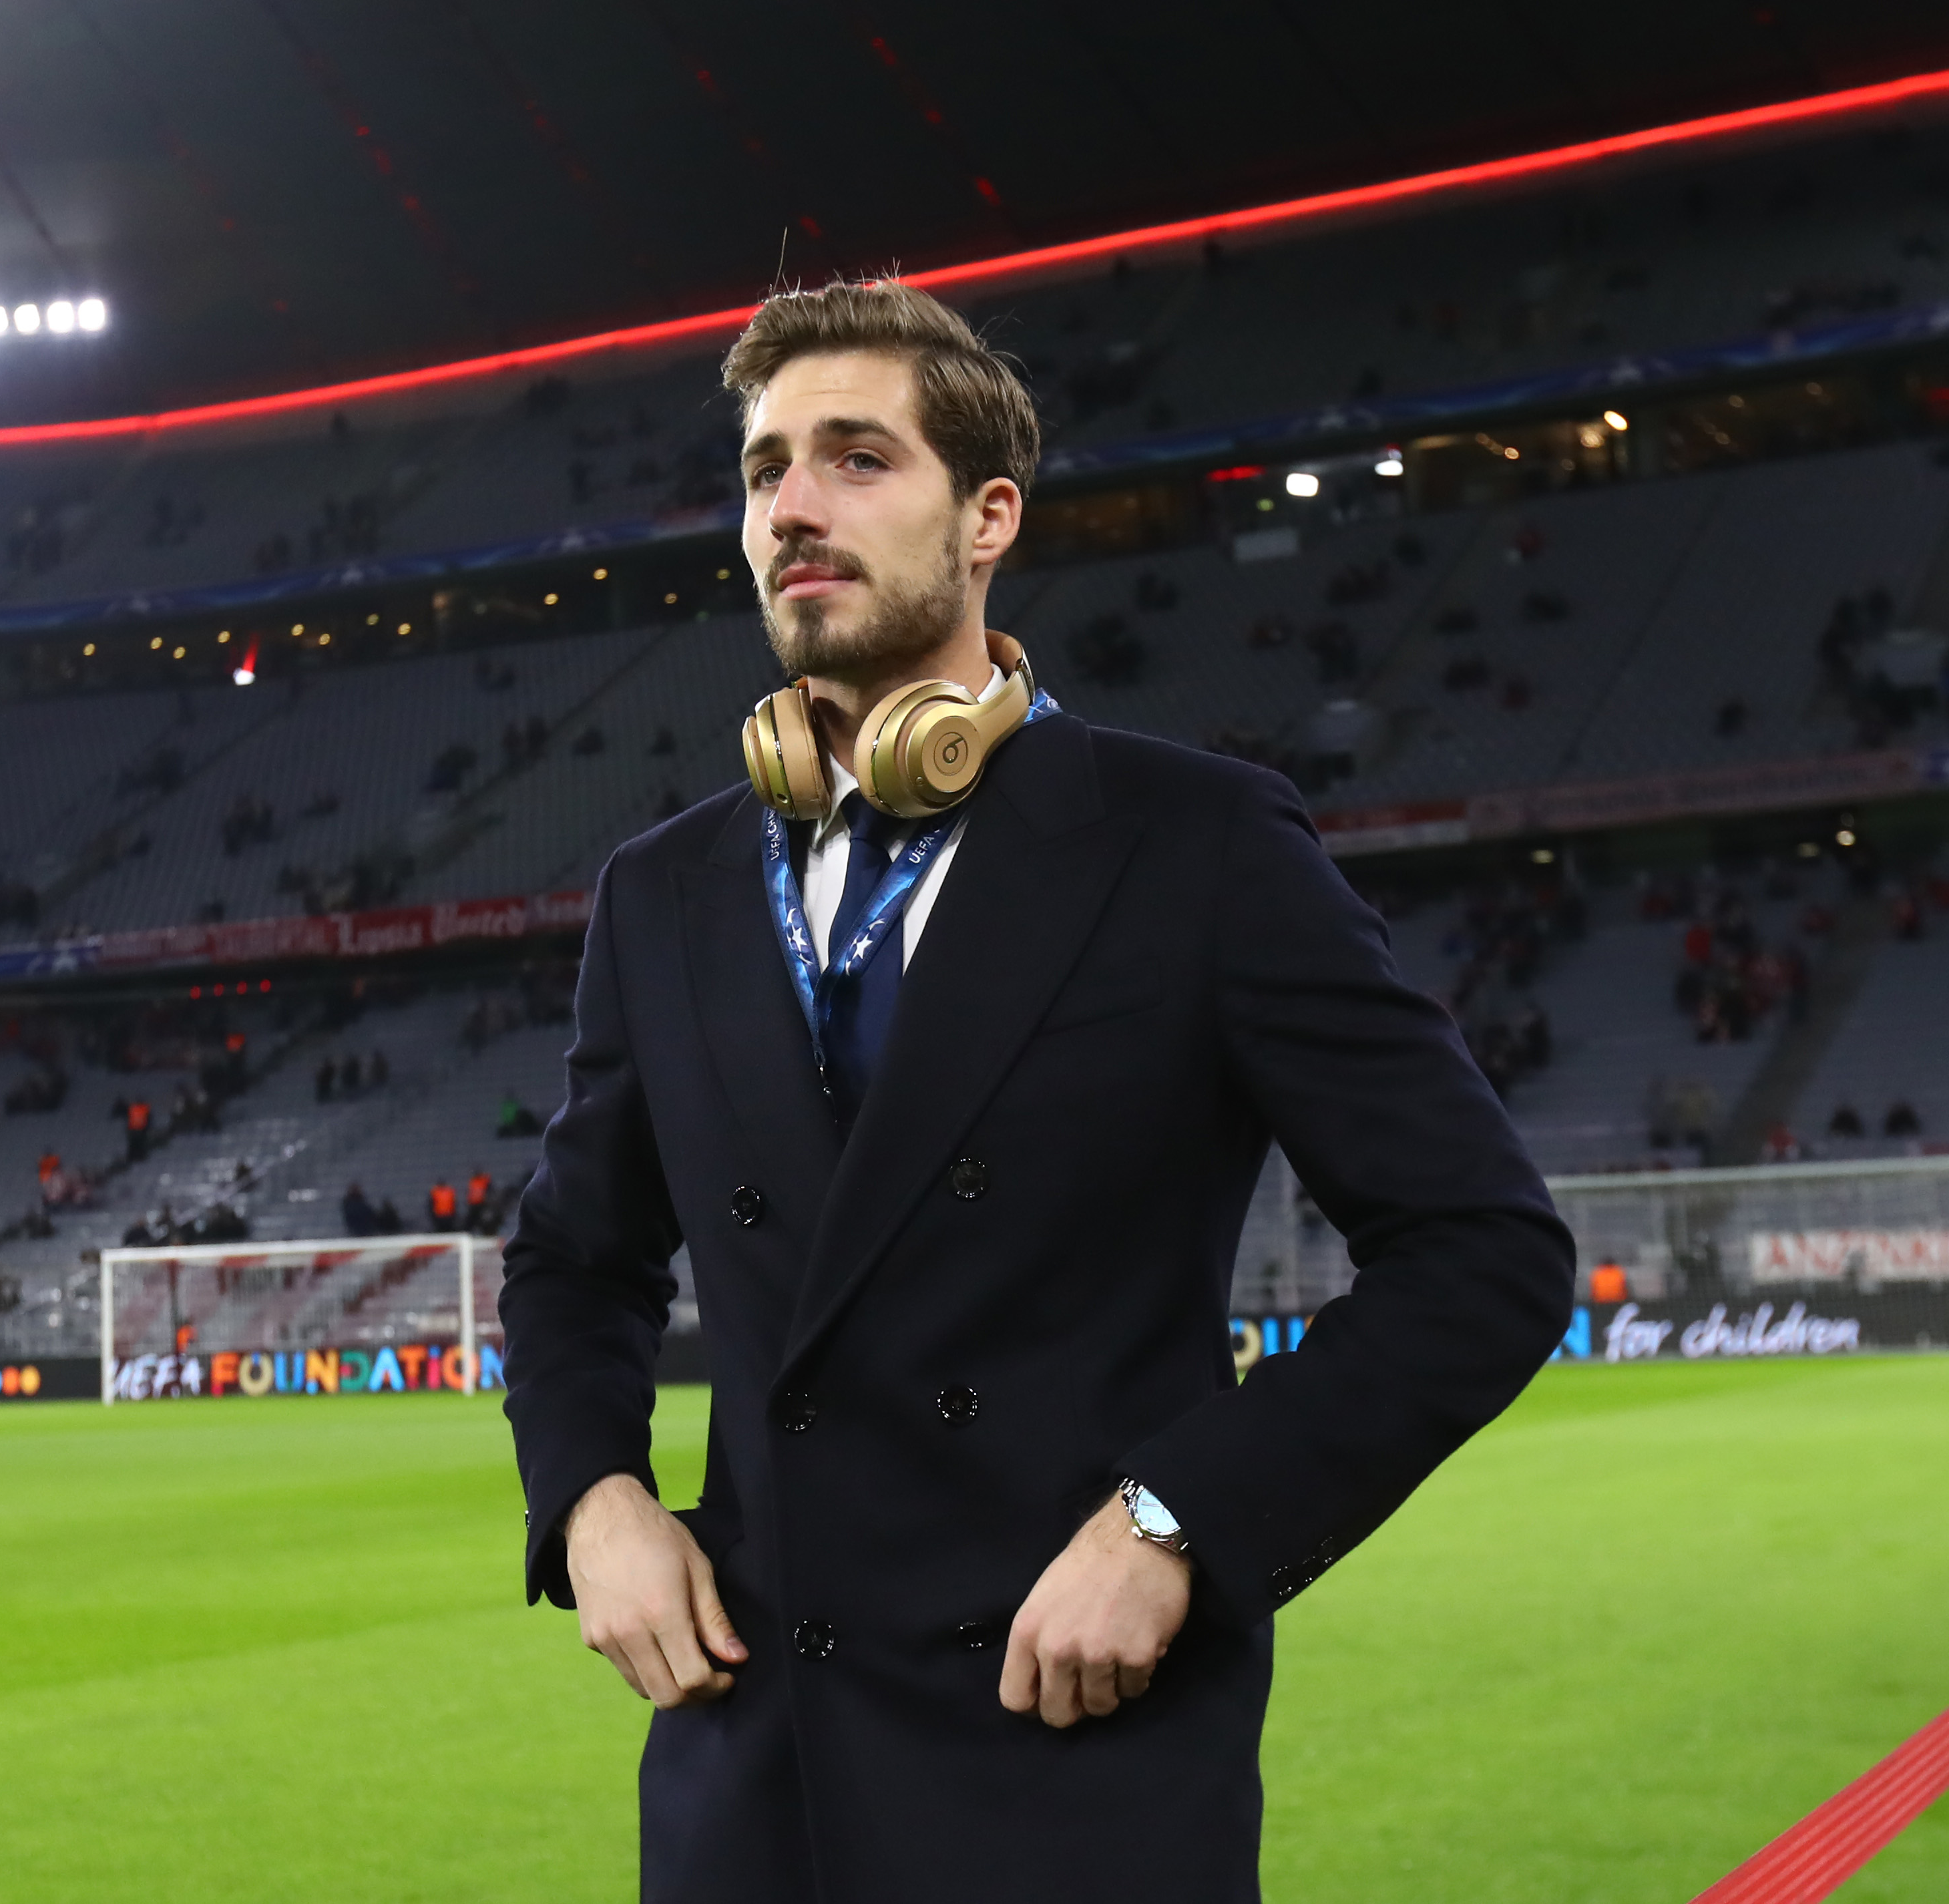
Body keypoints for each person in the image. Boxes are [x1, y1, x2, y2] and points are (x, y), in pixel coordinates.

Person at [499, 280, 1570, 1903]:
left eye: (857, 457)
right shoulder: (662, 889)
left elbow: (1482, 1252)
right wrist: (592, 1498)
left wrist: (1176, 1524)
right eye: (764, 467)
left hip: (1069, 1759)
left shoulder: (1193, 842)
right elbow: (574, 1261)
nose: (791, 504)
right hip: (749, 1782)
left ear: (986, 514)